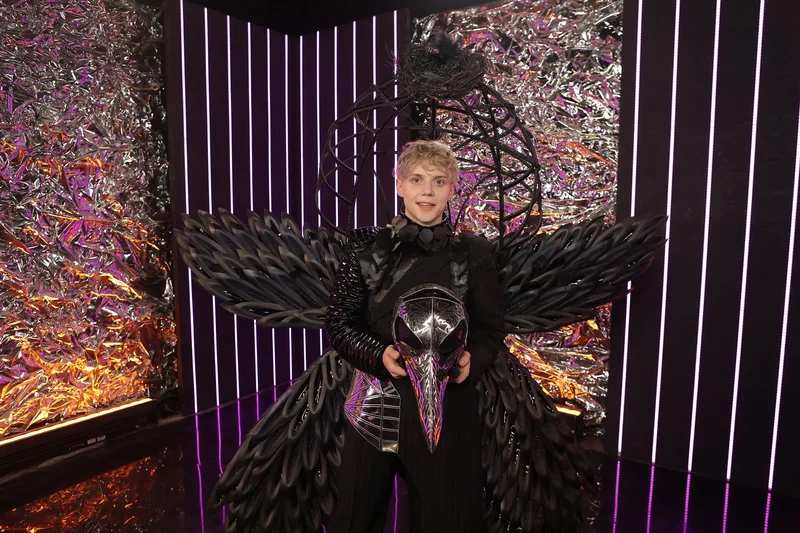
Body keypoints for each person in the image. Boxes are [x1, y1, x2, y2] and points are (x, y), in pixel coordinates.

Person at [324, 139, 507, 533]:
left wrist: (473, 357)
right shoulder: (363, 247)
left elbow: (491, 328)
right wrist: (378, 354)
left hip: (449, 405)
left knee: (447, 520)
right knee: (355, 516)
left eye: (438, 181)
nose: (427, 191)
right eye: (417, 179)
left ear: (452, 188)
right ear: (399, 184)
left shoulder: (475, 252)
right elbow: (339, 323)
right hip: (374, 404)